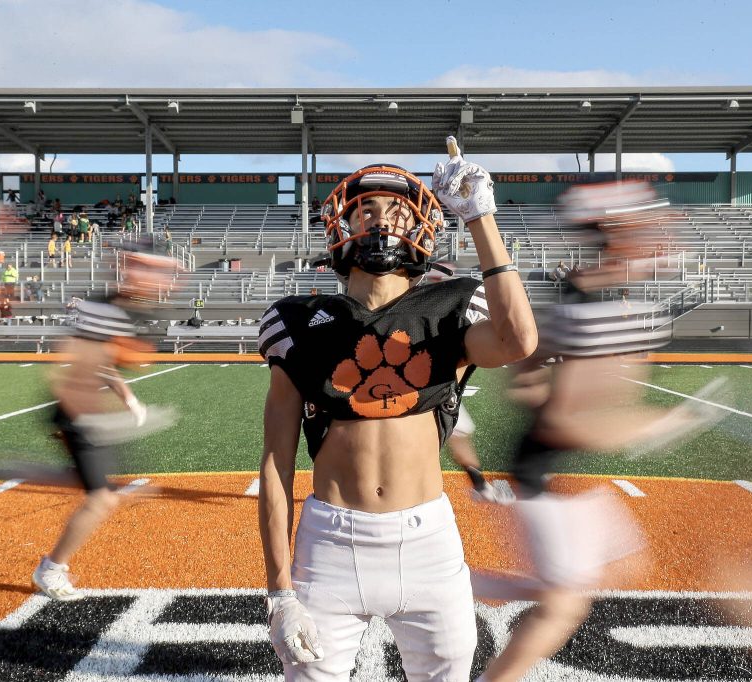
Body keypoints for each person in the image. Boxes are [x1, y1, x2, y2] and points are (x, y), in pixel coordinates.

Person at [257, 137, 537, 680]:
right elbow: (276, 464)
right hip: (331, 543)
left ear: (421, 227)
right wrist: (279, 592)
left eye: (395, 211)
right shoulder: (297, 319)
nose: (380, 221)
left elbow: (519, 341)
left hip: (428, 542)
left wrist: (481, 216)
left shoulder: (450, 305)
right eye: (366, 207)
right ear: (340, 222)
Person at [471, 181, 724, 682]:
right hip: (552, 479)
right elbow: (568, 422)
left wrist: (537, 382)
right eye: (647, 225)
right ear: (616, 233)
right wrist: (662, 422)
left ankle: (460, 583)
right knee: (561, 609)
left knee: (616, 570)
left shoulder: (600, 295)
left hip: (571, 479)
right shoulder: (600, 305)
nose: (663, 237)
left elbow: (529, 370)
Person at [31, 242, 177, 601]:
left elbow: (103, 362)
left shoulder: (125, 310)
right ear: (128, 266)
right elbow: (66, 364)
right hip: (78, 414)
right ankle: (51, 569)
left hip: (89, 412)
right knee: (101, 500)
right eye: (146, 268)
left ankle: (31, 472)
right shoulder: (100, 307)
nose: (154, 278)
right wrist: (83, 418)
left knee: (103, 488)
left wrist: (129, 399)